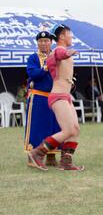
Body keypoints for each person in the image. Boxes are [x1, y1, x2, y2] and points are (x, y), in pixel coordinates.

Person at [27, 24, 84, 171]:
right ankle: (37, 153)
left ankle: (66, 162)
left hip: (65, 95)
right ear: (62, 36)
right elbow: (58, 55)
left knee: (75, 129)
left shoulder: (58, 51)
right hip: (58, 96)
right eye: (69, 34)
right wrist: (67, 54)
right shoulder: (60, 50)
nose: (71, 36)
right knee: (67, 130)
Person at [24, 31, 61, 168]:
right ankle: (31, 156)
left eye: (46, 41)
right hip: (38, 97)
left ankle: (51, 155)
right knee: (37, 127)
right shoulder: (33, 58)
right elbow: (32, 73)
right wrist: (45, 68)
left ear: (51, 42)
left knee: (54, 126)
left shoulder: (57, 56)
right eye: (41, 41)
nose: (43, 43)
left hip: (55, 97)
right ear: (37, 43)